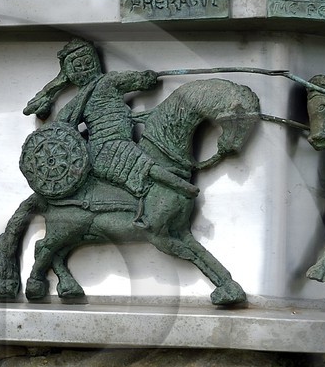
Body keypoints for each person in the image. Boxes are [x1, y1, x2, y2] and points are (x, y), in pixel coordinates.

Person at [23, 38, 196, 226]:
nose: (84, 68)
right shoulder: (86, 96)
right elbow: (60, 131)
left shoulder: (106, 83)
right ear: (70, 73)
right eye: (78, 66)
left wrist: (146, 78)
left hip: (111, 146)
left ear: (95, 61)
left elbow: (136, 80)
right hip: (108, 148)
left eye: (87, 63)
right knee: (144, 164)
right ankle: (183, 188)